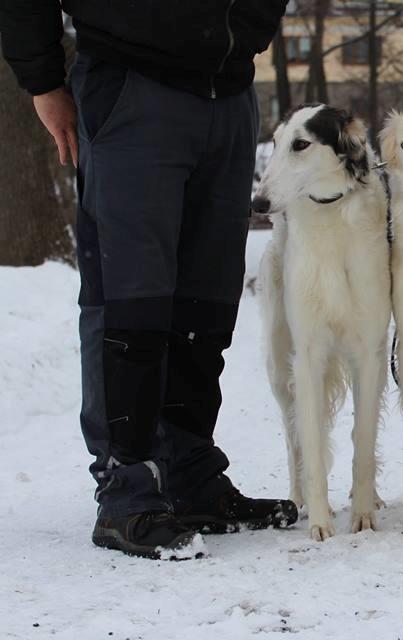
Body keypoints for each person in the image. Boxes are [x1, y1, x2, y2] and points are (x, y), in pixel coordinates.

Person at [0, 1, 296, 560]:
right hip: (132, 84)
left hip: (230, 90)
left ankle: (189, 476)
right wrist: (42, 80)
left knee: (205, 304)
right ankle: (127, 489)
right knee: (130, 299)